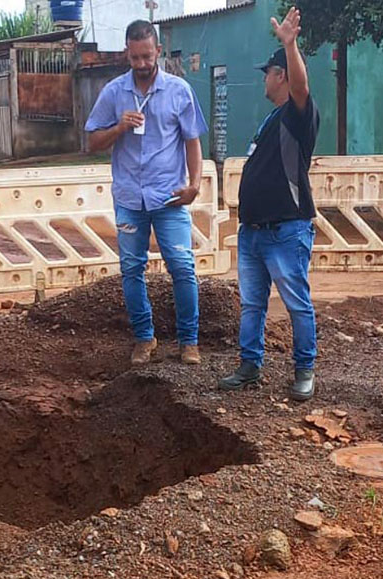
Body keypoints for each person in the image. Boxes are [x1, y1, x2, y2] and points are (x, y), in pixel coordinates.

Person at [85, 20, 208, 366]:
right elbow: (92, 142)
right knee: (131, 269)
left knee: (182, 266)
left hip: (169, 196)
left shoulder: (179, 90)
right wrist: (119, 128)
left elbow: (192, 140)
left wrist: (194, 184)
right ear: (127, 53)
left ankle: (189, 341)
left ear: (158, 52)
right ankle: (144, 338)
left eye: (147, 56)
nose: (141, 64)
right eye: (135, 57)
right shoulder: (113, 93)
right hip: (129, 197)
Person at [219, 6, 320, 400]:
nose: (264, 77)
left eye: (268, 72)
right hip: (254, 233)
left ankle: (304, 370)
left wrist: (290, 45)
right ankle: (249, 365)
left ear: (281, 75)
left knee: (296, 303)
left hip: (284, 230)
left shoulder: (298, 116)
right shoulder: (270, 121)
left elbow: (302, 89)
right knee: (252, 305)